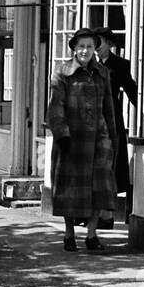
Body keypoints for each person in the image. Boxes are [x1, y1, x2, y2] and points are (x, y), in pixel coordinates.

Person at [49, 28, 118, 253]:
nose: (85, 51)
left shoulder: (103, 73)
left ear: (94, 49)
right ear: (74, 48)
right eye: (81, 46)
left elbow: (109, 109)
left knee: (101, 187)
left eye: (89, 46)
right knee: (71, 188)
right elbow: (55, 107)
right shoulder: (62, 73)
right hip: (72, 138)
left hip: (99, 139)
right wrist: (62, 134)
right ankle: (69, 234)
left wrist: (112, 138)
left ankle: (91, 233)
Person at [91, 27, 138, 227]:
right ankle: (91, 214)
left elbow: (132, 92)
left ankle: (107, 216)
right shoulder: (89, 65)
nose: (96, 47)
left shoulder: (120, 65)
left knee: (109, 169)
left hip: (111, 124)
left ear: (109, 44)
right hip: (91, 123)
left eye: (99, 42)